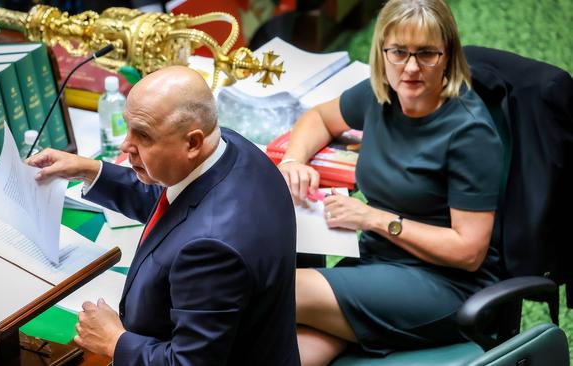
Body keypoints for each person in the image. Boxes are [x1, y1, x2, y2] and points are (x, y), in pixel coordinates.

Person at [277, 0, 503, 365]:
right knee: (287, 352)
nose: (411, 68)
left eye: (426, 53)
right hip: (377, 261)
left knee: (278, 290)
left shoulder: (469, 133)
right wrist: (294, 160)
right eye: (399, 52)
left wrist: (373, 219)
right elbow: (319, 117)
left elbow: (469, 252)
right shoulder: (381, 95)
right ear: (382, 52)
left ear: (447, 56)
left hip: (445, 285)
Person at [28, 66, 300, 365]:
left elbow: (190, 363)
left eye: (142, 135)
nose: (125, 145)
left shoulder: (211, 249)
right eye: (127, 126)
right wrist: (89, 169)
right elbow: (175, 200)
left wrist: (114, 341)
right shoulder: (231, 148)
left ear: (193, 142)